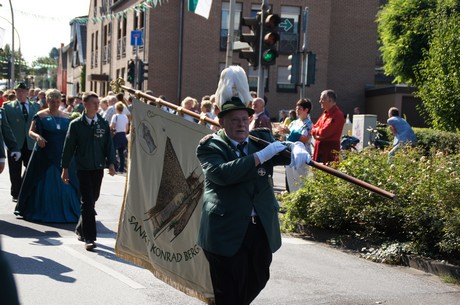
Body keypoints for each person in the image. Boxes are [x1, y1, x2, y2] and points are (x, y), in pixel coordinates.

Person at [196, 65, 310, 305]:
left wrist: (297, 149)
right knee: (228, 293)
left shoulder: (261, 140)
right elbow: (221, 174)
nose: (240, 124)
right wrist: (261, 156)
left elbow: (283, 153)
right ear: (222, 122)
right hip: (225, 231)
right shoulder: (210, 146)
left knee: (258, 278)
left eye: (244, 119)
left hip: (259, 230)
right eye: (233, 120)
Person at [14, 89, 80, 223]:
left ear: (60, 102)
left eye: (57, 102)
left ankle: (71, 210)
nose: (55, 104)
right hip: (44, 154)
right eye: (52, 102)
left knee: (68, 182)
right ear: (47, 102)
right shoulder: (40, 115)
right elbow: (31, 132)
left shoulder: (67, 116)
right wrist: (38, 137)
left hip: (62, 154)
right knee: (40, 181)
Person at [61, 91, 116, 251]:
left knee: (93, 199)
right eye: (94, 103)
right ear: (85, 105)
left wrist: (111, 163)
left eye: (98, 103)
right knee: (88, 202)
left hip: (98, 167)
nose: (98, 106)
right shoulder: (76, 125)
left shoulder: (103, 123)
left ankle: (80, 228)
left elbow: (108, 145)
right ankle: (90, 238)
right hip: (83, 168)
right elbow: (68, 147)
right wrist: (64, 169)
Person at [2, 82, 41, 202]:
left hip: (30, 142)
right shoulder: (7, 107)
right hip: (15, 143)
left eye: (23, 91)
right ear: (15, 93)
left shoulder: (35, 106)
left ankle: (24, 187)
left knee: (31, 168)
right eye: (18, 91)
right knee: (14, 170)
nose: (21, 93)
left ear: (27, 92)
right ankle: (16, 193)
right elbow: (5, 126)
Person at [278, 98, 313, 192]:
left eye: (300, 109)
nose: (297, 111)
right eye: (297, 108)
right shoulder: (293, 122)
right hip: (290, 154)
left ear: (306, 110)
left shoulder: (309, 124)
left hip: (301, 155)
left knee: (300, 182)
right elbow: (287, 136)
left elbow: (305, 139)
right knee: (291, 182)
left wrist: (289, 132)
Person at [311, 89, 345, 164]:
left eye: (322, 99)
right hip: (320, 151)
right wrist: (317, 132)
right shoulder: (325, 113)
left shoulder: (337, 115)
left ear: (330, 100)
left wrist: (317, 132)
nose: (320, 101)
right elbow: (313, 128)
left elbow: (324, 132)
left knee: (327, 174)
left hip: (329, 152)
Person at [110, 101, 129, 173]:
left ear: (116, 108)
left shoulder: (115, 116)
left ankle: (115, 166)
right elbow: (127, 128)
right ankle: (121, 168)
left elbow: (112, 126)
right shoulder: (125, 117)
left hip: (116, 135)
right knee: (121, 153)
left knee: (114, 152)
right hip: (123, 135)